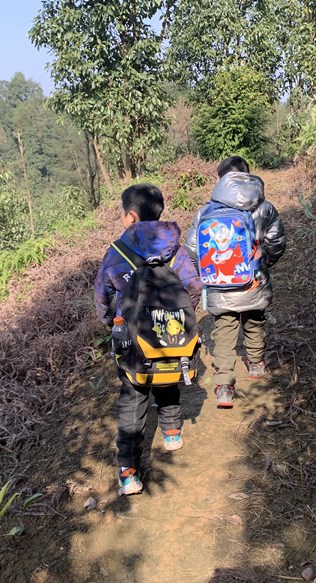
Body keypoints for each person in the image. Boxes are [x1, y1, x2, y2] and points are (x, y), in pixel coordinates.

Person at [94, 183, 202, 495]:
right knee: (167, 376)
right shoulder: (175, 250)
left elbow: (102, 295)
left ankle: (129, 471)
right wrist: (179, 318)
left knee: (133, 396)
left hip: (131, 341)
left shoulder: (117, 252)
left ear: (131, 216)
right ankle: (172, 433)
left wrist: (113, 323)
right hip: (170, 335)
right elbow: (194, 287)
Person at [185, 156, 286, 408]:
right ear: (248, 176)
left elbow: (192, 247)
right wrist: (263, 265)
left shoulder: (206, 211)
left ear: (220, 179)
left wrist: (209, 273)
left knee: (224, 332)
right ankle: (256, 364)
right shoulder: (264, 208)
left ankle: (224, 387)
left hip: (220, 285)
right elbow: (276, 242)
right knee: (254, 321)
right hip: (254, 282)